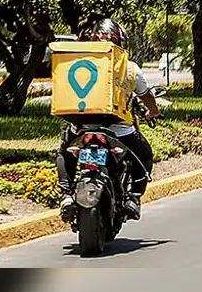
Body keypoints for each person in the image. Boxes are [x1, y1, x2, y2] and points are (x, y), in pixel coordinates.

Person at [57, 18, 160, 222]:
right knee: (145, 155)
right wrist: (153, 112)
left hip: (80, 127)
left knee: (64, 153)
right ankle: (133, 196)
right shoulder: (130, 68)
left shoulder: (79, 62)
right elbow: (146, 96)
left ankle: (66, 194)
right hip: (120, 131)